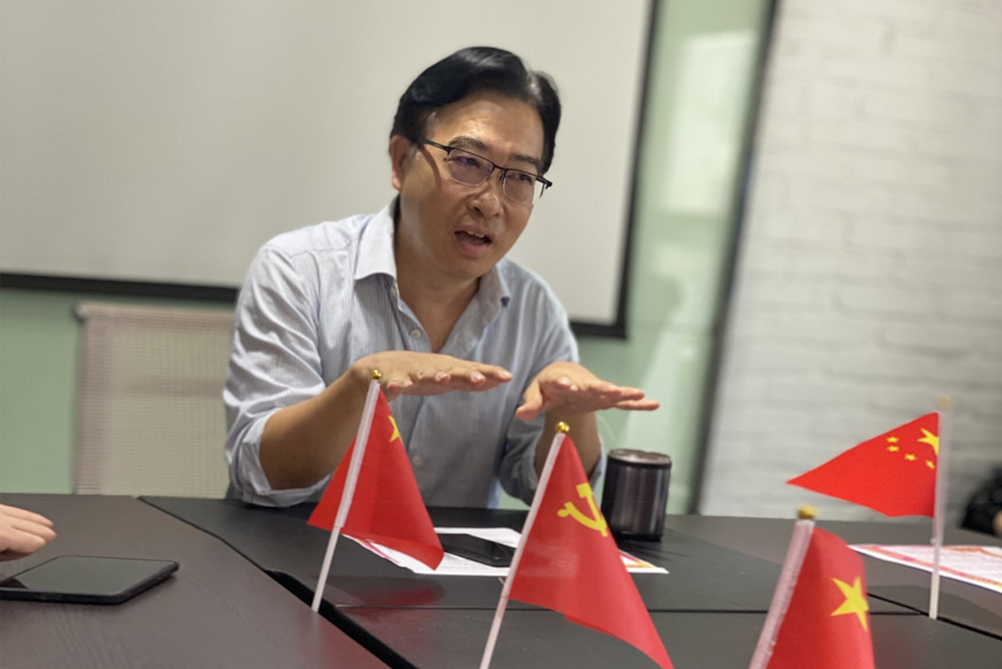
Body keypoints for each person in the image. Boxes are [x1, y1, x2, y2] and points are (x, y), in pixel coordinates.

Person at [224, 46, 658, 509]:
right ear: (400, 161)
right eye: (466, 161)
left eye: (519, 177)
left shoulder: (534, 309)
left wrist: (570, 413)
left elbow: (551, 497)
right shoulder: (298, 271)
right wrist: (361, 386)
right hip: (293, 552)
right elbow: (263, 473)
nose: (489, 203)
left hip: (446, 560)